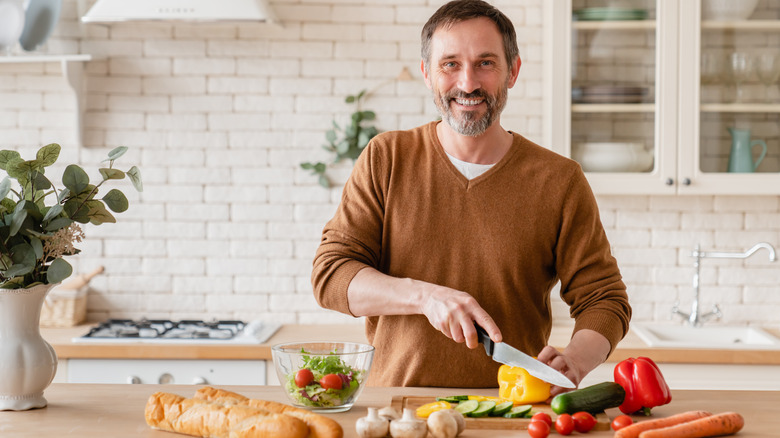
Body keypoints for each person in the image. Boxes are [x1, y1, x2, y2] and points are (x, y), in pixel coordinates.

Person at [311, 0, 631, 394]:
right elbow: (331, 276)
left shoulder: (559, 180)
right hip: (398, 411)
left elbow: (605, 298)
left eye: (485, 63)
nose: (467, 83)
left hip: (513, 411)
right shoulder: (387, 158)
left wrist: (577, 358)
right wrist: (425, 297)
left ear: (512, 71)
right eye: (450, 64)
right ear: (427, 73)